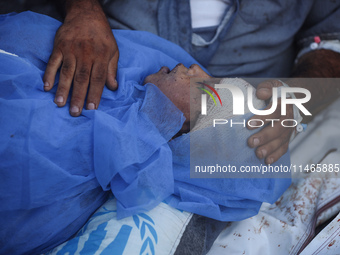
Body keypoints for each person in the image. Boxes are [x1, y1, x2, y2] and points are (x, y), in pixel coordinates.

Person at [44, 0, 340, 165]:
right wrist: (82, 9)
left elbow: (331, 38)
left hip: (250, 120)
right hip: (101, 71)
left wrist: (296, 99)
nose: (195, 69)